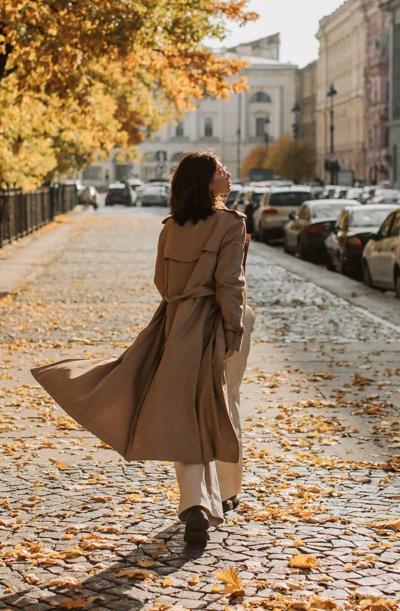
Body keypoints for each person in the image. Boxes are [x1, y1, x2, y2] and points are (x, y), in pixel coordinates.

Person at [30, 151, 254, 546]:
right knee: (222, 403)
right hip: (216, 326)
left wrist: (182, 306)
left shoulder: (170, 227)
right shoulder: (230, 224)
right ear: (205, 182)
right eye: (220, 170)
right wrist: (232, 332)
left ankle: (199, 503)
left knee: (187, 412)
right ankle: (220, 493)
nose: (228, 174)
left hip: (174, 324)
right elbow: (231, 285)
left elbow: (163, 283)